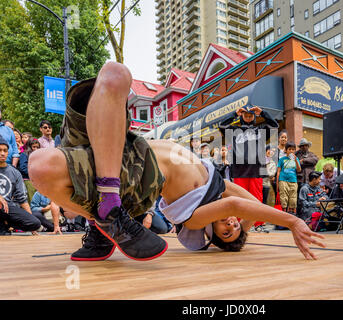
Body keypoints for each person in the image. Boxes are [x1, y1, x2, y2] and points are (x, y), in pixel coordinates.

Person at [28, 62, 325, 261]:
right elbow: (246, 208)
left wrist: (293, 222)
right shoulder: (220, 188)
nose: (231, 224)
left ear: (208, 234)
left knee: (39, 164)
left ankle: (105, 213)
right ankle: (101, 226)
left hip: (133, 170)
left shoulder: (193, 218)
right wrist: (244, 229)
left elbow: (237, 208)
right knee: (114, 73)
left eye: (225, 232)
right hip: (125, 146)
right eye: (236, 227)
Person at [218, 104, 279, 230]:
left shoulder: (261, 130)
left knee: (256, 198)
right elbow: (221, 125)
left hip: (256, 169)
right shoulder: (234, 130)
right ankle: (240, 225)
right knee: (240, 198)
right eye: (245, 114)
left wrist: (262, 112)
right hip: (239, 170)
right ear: (242, 116)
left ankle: (258, 225)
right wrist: (234, 114)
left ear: (254, 116)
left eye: (251, 114)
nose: (248, 116)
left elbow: (274, 126)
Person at [0, 137, 41, 234]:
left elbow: (22, 198)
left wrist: (31, 223)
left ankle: (5, 224)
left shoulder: (15, 172)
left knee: (35, 223)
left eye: (5, 151)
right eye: (0, 150)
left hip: (7, 209)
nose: (2, 153)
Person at [276, 142, 301, 214]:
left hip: (293, 180)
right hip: (282, 180)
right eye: (289, 149)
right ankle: (283, 213)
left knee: (293, 197)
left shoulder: (296, 159)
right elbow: (278, 172)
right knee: (283, 197)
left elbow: (299, 170)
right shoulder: (282, 159)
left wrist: (296, 160)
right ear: (286, 150)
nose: (291, 151)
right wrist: (277, 183)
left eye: (293, 149)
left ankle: (291, 213)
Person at [18, 139, 40, 203]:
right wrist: (34, 174)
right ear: (29, 147)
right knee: (31, 199)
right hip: (27, 180)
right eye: (34, 147)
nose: (36, 149)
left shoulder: (38, 156)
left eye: (37, 147)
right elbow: (23, 168)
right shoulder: (24, 154)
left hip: (37, 180)